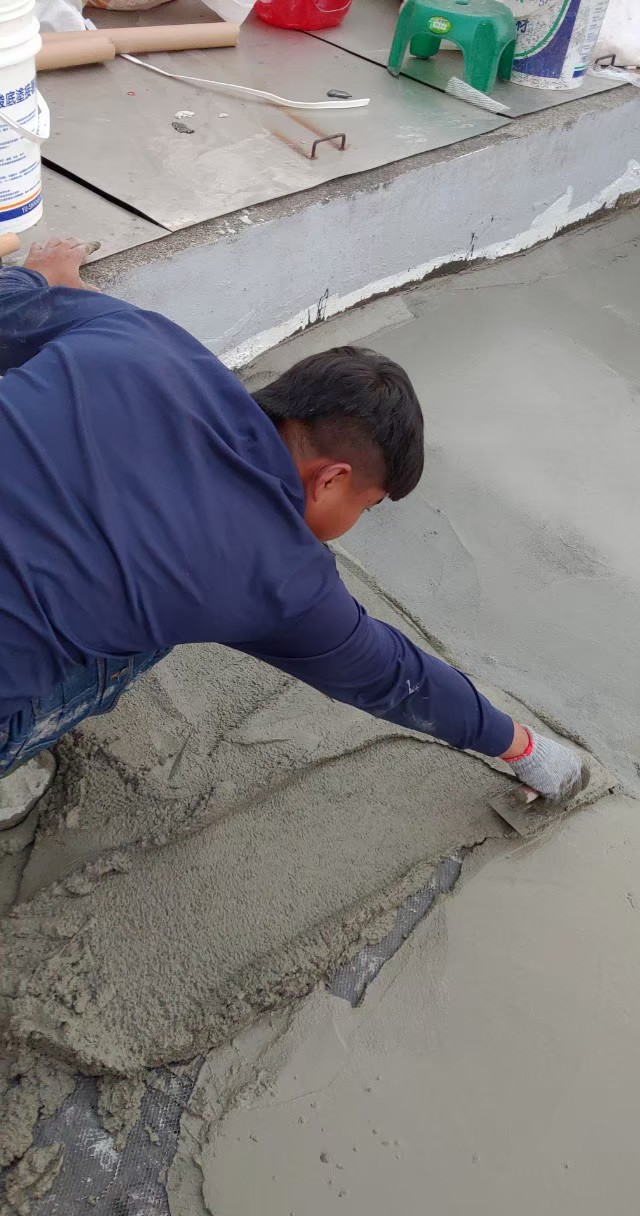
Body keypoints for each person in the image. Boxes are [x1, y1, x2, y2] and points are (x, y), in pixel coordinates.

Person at [0, 239, 584, 827]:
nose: (353, 523)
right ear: (332, 479)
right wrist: (526, 748)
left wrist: (42, 280)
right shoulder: (281, 578)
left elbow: (11, 306)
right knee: (152, 626)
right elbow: (394, 677)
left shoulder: (141, 337)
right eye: (367, 507)